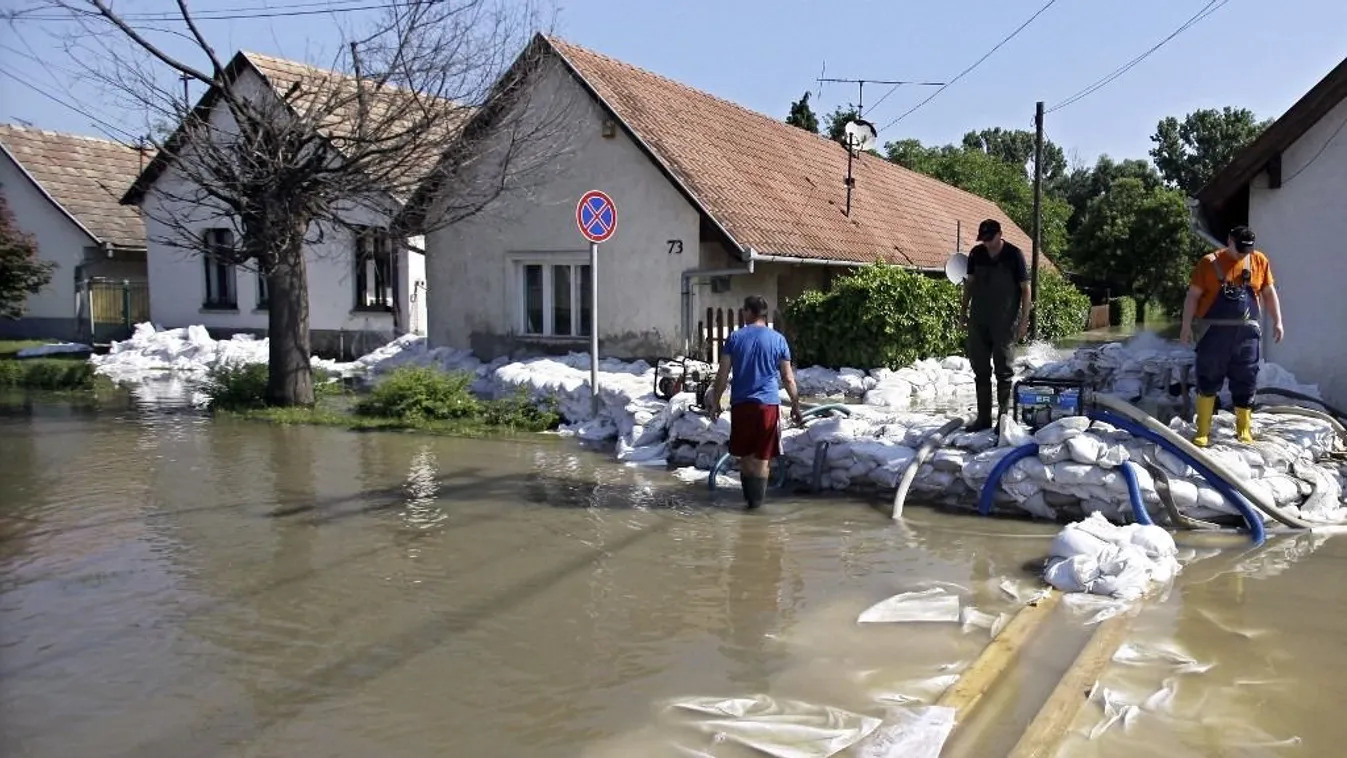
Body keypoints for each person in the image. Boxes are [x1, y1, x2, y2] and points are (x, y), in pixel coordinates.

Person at [1179, 225, 1284, 447]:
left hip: (1247, 335)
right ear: (1229, 240)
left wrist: (1278, 321)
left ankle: (1244, 429)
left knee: (1247, 378)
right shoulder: (1209, 263)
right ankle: (1203, 430)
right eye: (1239, 248)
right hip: (1213, 333)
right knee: (1208, 377)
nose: (1243, 253)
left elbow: (1268, 292)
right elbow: (1193, 296)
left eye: (1248, 249)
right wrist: (1186, 326)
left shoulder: (1259, 261)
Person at [708, 296, 804, 509]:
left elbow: (722, 374)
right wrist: (795, 404)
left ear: (750, 312)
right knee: (763, 458)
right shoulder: (778, 339)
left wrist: (715, 402)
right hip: (767, 406)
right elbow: (788, 377)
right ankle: (756, 507)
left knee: (745, 455)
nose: (742, 314)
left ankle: (749, 504)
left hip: (741, 405)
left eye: (744, 311)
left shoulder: (735, 338)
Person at [960, 218, 1032, 432]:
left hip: (1004, 321)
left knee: (1004, 371)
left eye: (990, 239)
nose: (988, 244)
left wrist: (1024, 320)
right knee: (980, 370)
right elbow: (969, 285)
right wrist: (963, 312)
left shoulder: (1014, 255)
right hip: (979, 320)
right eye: (984, 239)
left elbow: (1026, 289)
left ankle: (1002, 419)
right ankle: (983, 419)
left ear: (1000, 234)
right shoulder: (976, 254)